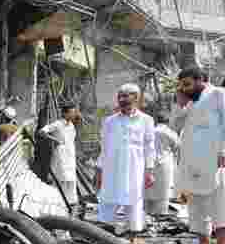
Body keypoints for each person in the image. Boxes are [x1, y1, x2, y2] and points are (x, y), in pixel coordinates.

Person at [176, 66, 225, 244]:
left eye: (187, 84)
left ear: (200, 80)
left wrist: (224, 150)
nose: (185, 88)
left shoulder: (218, 94)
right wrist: (180, 102)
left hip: (215, 158)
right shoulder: (188, 102)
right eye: (181, 86)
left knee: (219, 200)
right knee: (196, 202)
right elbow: (175, 126)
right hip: (191, 160)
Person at [95, 83, 155, 235]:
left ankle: (133, 237)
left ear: (135, 97)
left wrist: (149, 171)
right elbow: (104, 146)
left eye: (125, 96)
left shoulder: (146, 120)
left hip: (135, 166)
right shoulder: (110, 121)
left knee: (134, 199)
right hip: (112, 166)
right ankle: (105, 235)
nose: (121, 99)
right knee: (108, 198)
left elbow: (149, 146)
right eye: (119, 96)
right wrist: (99, 170)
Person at [39, 104, 82, 216]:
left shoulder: (71, 125)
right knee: (61, 178)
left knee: (71, 179)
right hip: (61, 154)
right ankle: (57, 203)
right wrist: (54, 139)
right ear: (64, 113)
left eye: (74, 112)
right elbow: (42, 132)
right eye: (71, 112)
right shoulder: (58, 124)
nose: (73, 114)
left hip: (70, 155)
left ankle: (70, 204)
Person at [145, 113, 180, 218]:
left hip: (149, 165)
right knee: (162, 196)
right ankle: (160, 218)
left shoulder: (150, 131)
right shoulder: (169, 132)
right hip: (164, 165)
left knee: (148, 196)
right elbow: (178, 145)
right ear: (167, 121)